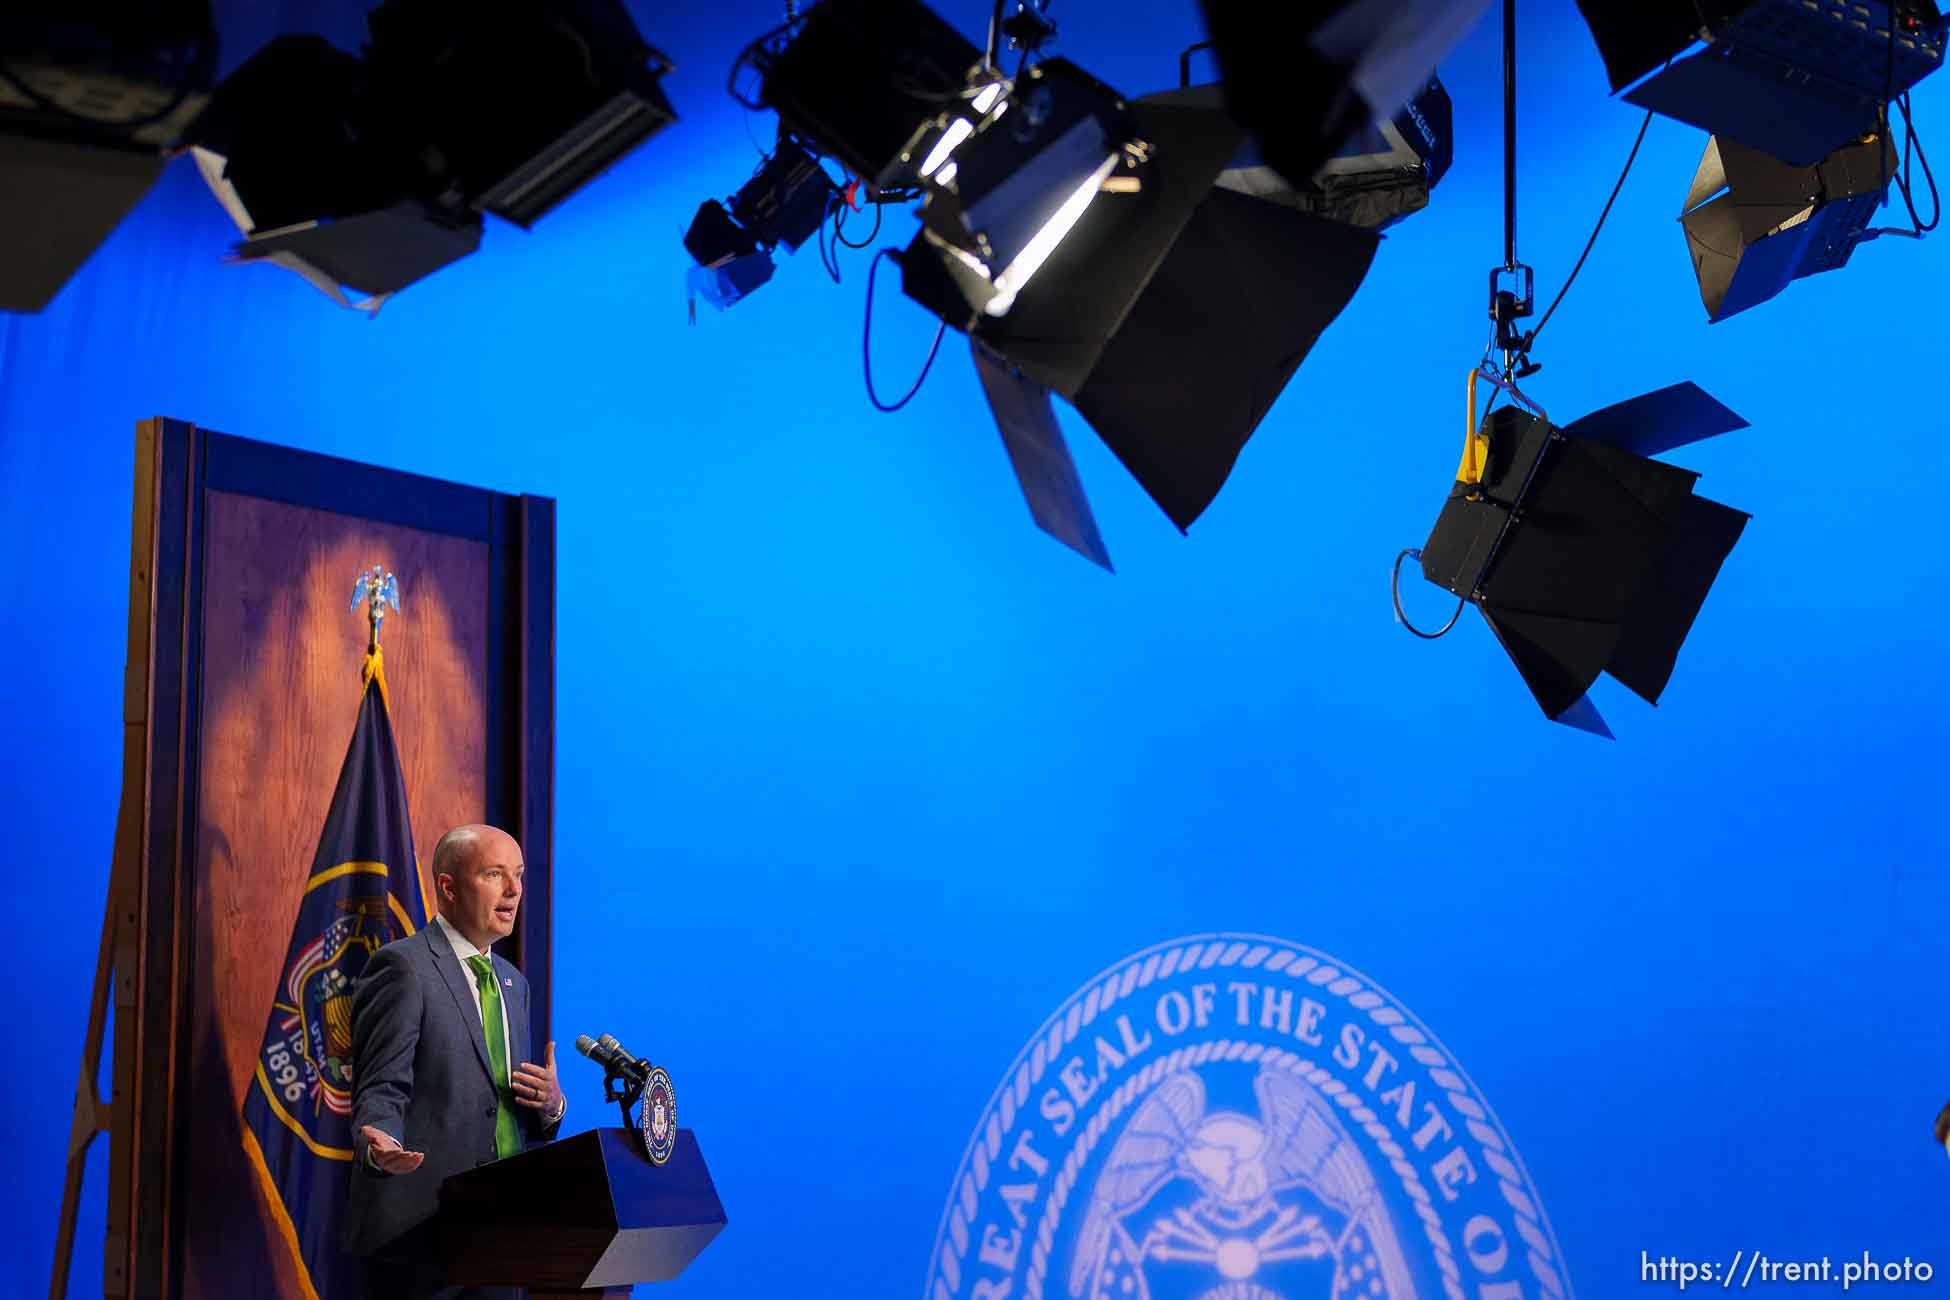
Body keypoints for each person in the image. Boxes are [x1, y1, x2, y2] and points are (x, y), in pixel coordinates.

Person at [345, 824, 566, 1300]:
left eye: (520, 876)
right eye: (495, 874)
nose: (514, 891)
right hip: (424, 1235)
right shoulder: (404, 968)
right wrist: (378, 1143)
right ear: (448, 887)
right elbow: (381, 1088)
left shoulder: (513, 984)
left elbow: (502, 1106)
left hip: (501, 1230)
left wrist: (550, 1106)